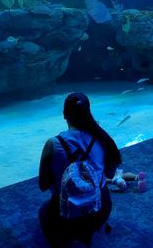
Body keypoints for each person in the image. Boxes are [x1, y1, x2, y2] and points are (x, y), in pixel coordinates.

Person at [39, 92, 122, 247]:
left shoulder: (52, 144)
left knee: (44, 211)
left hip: (66, 214)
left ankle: (64, 238)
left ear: (64, 115)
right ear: (88, 112)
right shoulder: (102, 139)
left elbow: (43, 184)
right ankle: (93, 228)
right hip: (100, 208)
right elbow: (110, 174)